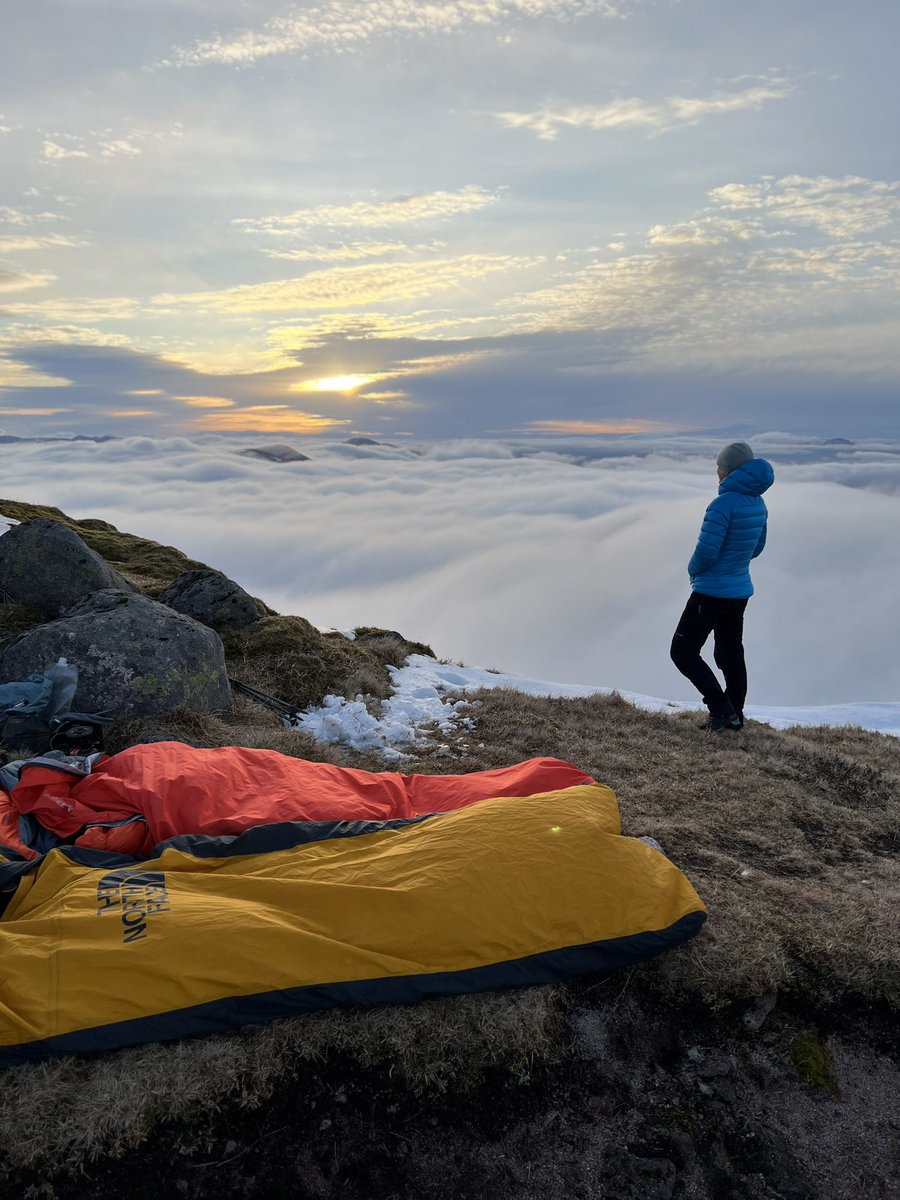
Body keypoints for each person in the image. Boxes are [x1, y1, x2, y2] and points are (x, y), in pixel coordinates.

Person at [670, 442, 775, 732]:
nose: (717, 472)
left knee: (682, 651)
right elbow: (757, 548)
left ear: (728, 471)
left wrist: (693, 569)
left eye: (719, 467)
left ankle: (721, 709)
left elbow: (706, 552)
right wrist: (735, 563)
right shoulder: (758, 503)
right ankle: (736, 713)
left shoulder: (722, 504)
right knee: (730, 652)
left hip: (711, 591)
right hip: (739, 591)